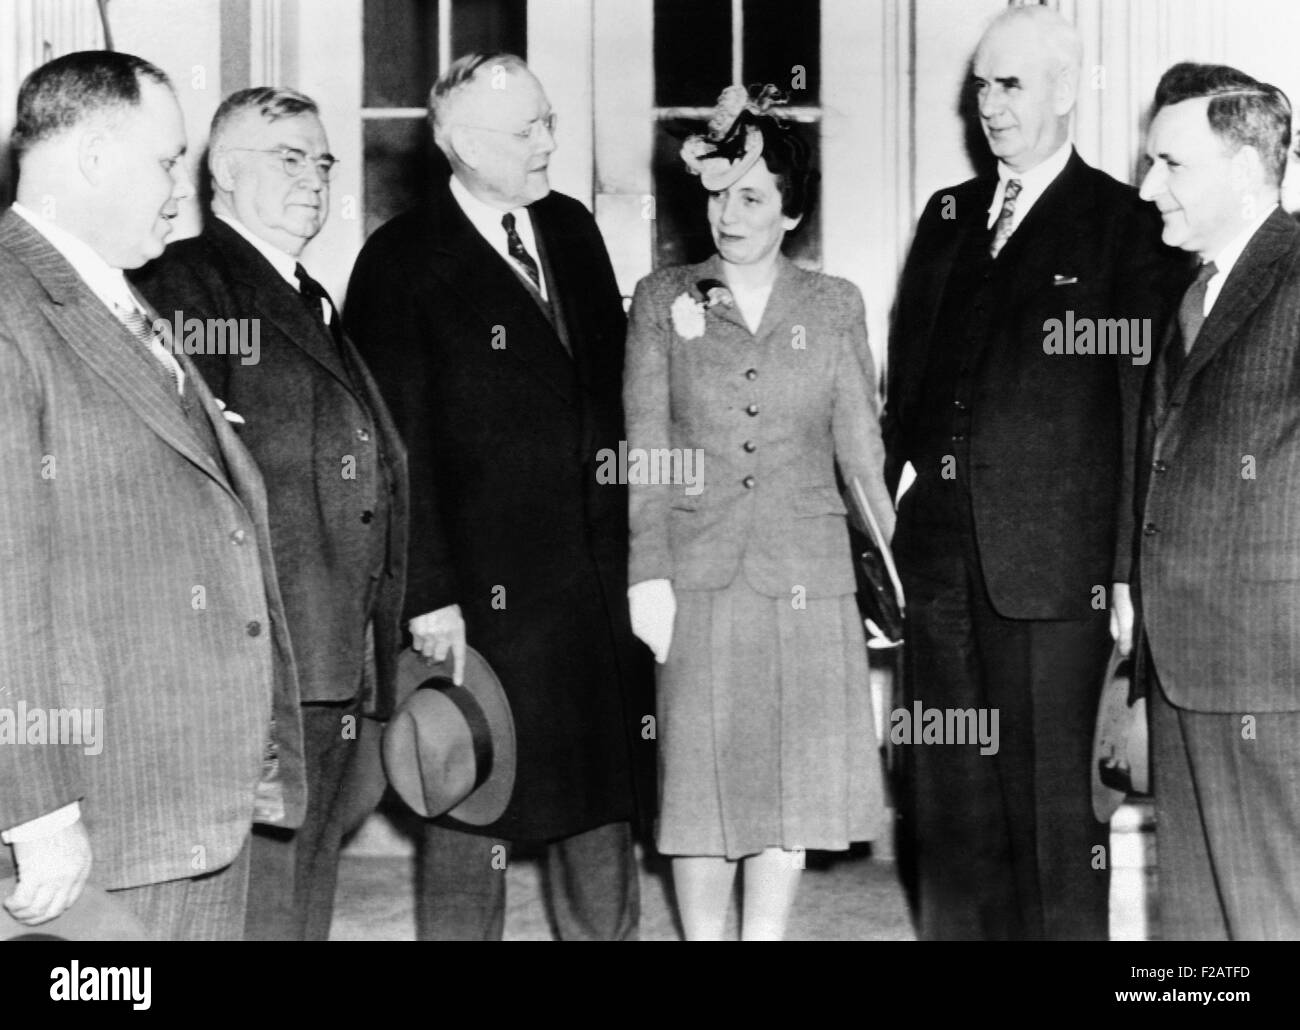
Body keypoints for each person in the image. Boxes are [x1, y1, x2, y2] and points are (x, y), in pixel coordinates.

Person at [883, 5, 1181, 940]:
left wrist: (1130, 568)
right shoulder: (947, 217)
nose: (990, 104)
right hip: (934, 571)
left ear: (1065, 89)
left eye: (1010, 83)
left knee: (1056, 819)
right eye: (980, 83)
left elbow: (1144, 406)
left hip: (1061, 573)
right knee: (949, 810)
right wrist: (891, 519)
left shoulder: (1127, 224)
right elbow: (910, 378)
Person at [345, 52, 650, 941]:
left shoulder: (574, 229)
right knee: (471, 799)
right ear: (461, 145)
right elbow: (393, 449)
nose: (552, 141)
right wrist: (428, 593)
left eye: (549, 120)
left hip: (591, 585)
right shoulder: (401, 261)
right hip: (479, 599)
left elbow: (608, 393)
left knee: (601, 802)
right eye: (529, 131)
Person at [0, 51, 304, 941]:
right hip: (100, 809)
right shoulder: (11, 306)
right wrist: (37, 807)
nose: (185, 190)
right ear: (94, 157)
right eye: (167, 161)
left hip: (185, 798)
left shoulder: (116, 298)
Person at [133, 87, 408, 941]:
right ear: (222, 173)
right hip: (264, 661)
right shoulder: (188, 284)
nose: (316, 178)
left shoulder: (306, 295)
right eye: (290, 157)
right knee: (263, 899)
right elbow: (191, 479)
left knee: (306, 883)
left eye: (323, 161)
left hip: (333, 652)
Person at [624, 85, 896, 941]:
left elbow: (861, 454)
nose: (728, 213)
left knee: (791, 786)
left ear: (792, 210)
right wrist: (648, 574)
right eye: (717, 194)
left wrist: (888, 574)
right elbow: (648, 447)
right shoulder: (660, 298)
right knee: (700, 785)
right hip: (699, 577)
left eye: (751, 197)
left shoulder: (835, 304)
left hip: (808, 578)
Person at [1122, 62, 1300, 940]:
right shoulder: (1192, 287)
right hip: (1184, 657)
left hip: (1271, 667)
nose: (1148, 186)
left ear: (1241, 167)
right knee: (1195, 915)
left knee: (1269, 905)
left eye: (1171, 165)